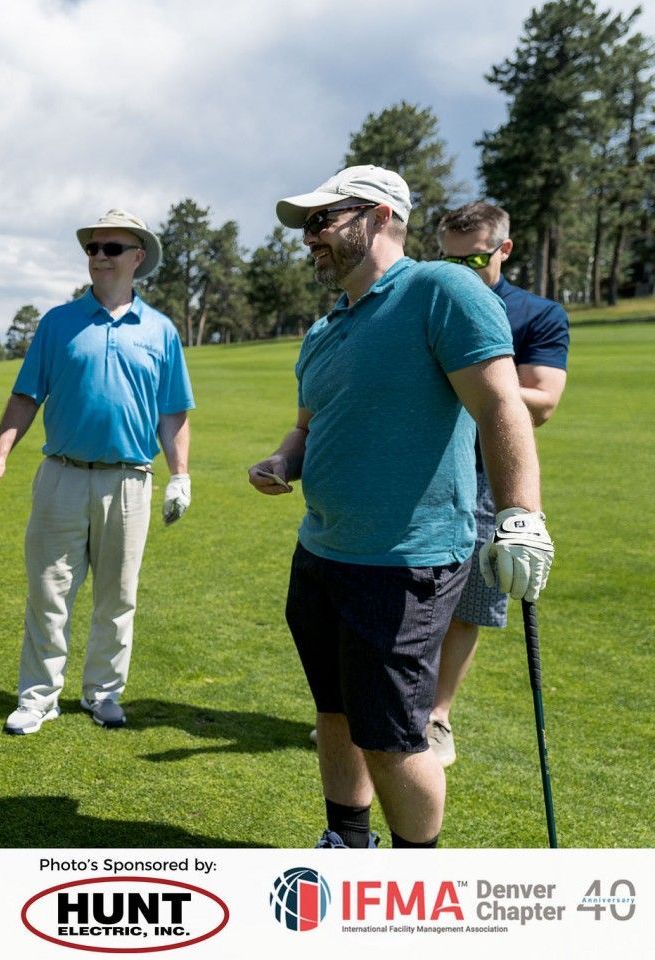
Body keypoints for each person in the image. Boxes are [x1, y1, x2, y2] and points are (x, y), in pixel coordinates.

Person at [249, 165, 553, 849]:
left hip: (403, 563)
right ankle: (347, 841)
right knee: (334, 713)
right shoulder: (325, 329)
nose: (310, 238)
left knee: (391, 737)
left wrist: (521, 514)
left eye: (323, 220)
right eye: (308, 226)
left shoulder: (439, 289)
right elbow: (308, 426)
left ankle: (417, 881)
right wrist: (283, 461)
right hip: (322, 551)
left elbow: (501, 404)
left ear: (379, 215)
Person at [0, 209, 194, 735]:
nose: (98, 257)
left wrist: (180, 474)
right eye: (92, 249)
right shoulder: (58, 323)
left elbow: (173, 412)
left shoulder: (160, 331)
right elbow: (26, 396)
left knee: (118, 597)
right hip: (62, 475)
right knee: (49, 592)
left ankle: (102, 693)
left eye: (111, 249)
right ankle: (38, 697)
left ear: (137, 258)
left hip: (130, 480)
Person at [426, 202, 570, 766]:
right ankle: (387, 712)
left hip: (490, 474)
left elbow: (544, 401)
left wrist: (472, 376)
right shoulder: (430, 299)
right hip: (424, 466)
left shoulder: (537, 314)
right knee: (404, 592)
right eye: (449, 259)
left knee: (470, 603)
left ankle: (437, 718)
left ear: (505, 250)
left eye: (477, 258)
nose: (462, 270)